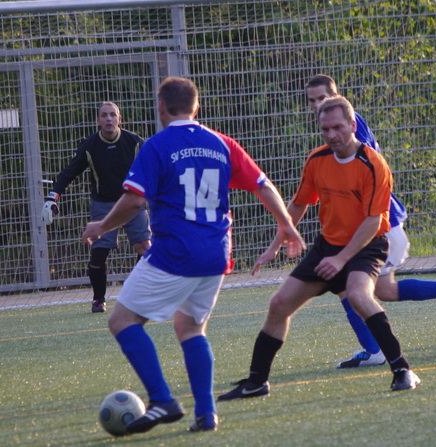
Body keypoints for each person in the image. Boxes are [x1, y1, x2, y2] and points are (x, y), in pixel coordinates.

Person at [81, 77, 304, 434]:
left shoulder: (157, 146)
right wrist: (286, 225)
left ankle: (162, 400)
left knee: (122, 320)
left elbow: (135, 200)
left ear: (161, 107)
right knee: (190, 327)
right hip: (216, 254)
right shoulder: (222, 143)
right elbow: (263, 185)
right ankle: (206, 413)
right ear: (196, 106)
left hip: (175, 253)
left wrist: (102, 225)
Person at [218, 95, 421, 401]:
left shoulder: (373, 164)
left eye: (338, 127)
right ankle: (257, 381)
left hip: (366, 246)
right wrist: (276, 244)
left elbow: (373, 221)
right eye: (325, 129)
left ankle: (402, 369)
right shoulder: (317, 159)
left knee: (359, 296)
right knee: (279, 304)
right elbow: (299, 204)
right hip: (328, 246)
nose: (331, 134)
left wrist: (341, 259)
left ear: (352, 125)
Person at [299, 74, 436, 368]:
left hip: (381, 225)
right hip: (371, 225)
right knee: (383, 290)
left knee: (348, 287)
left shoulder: (350, 129)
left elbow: (362, 175)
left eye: (323, 97)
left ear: (337, 95)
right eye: (313, 101)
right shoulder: (336, 130)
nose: (318, 104)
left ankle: (375, 351)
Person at [43, 101, 150, 313]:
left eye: (113, 115)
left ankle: (137, 295)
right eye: (104, 115)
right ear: (98, 120)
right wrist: (52, 197)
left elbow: (156, 167)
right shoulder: (89, 146)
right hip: (103, 204)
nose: (109, 119)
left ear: (120, 119)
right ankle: (98, 299)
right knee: (98, 254)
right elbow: (68, 173)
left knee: (145, 249)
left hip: (132, 203)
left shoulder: (135, 142)